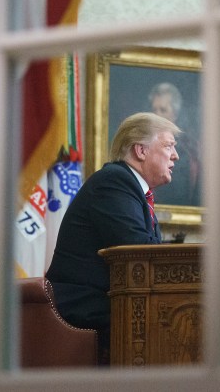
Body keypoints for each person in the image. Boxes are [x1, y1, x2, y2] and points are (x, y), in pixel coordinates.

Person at [45, 112, 180, 364]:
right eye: (169, 146)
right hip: (82, 301)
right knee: (171, 321)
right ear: (141, 150)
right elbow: (138, 251)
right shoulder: (114, 181)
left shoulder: (133, 189)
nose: (175, 155)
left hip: (109, 298)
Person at [147, 82, 201, 206]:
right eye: (154, 109)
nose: (157, 115)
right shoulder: (142, 145)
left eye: (163, 110)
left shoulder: (187, 149)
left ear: (175, 115)